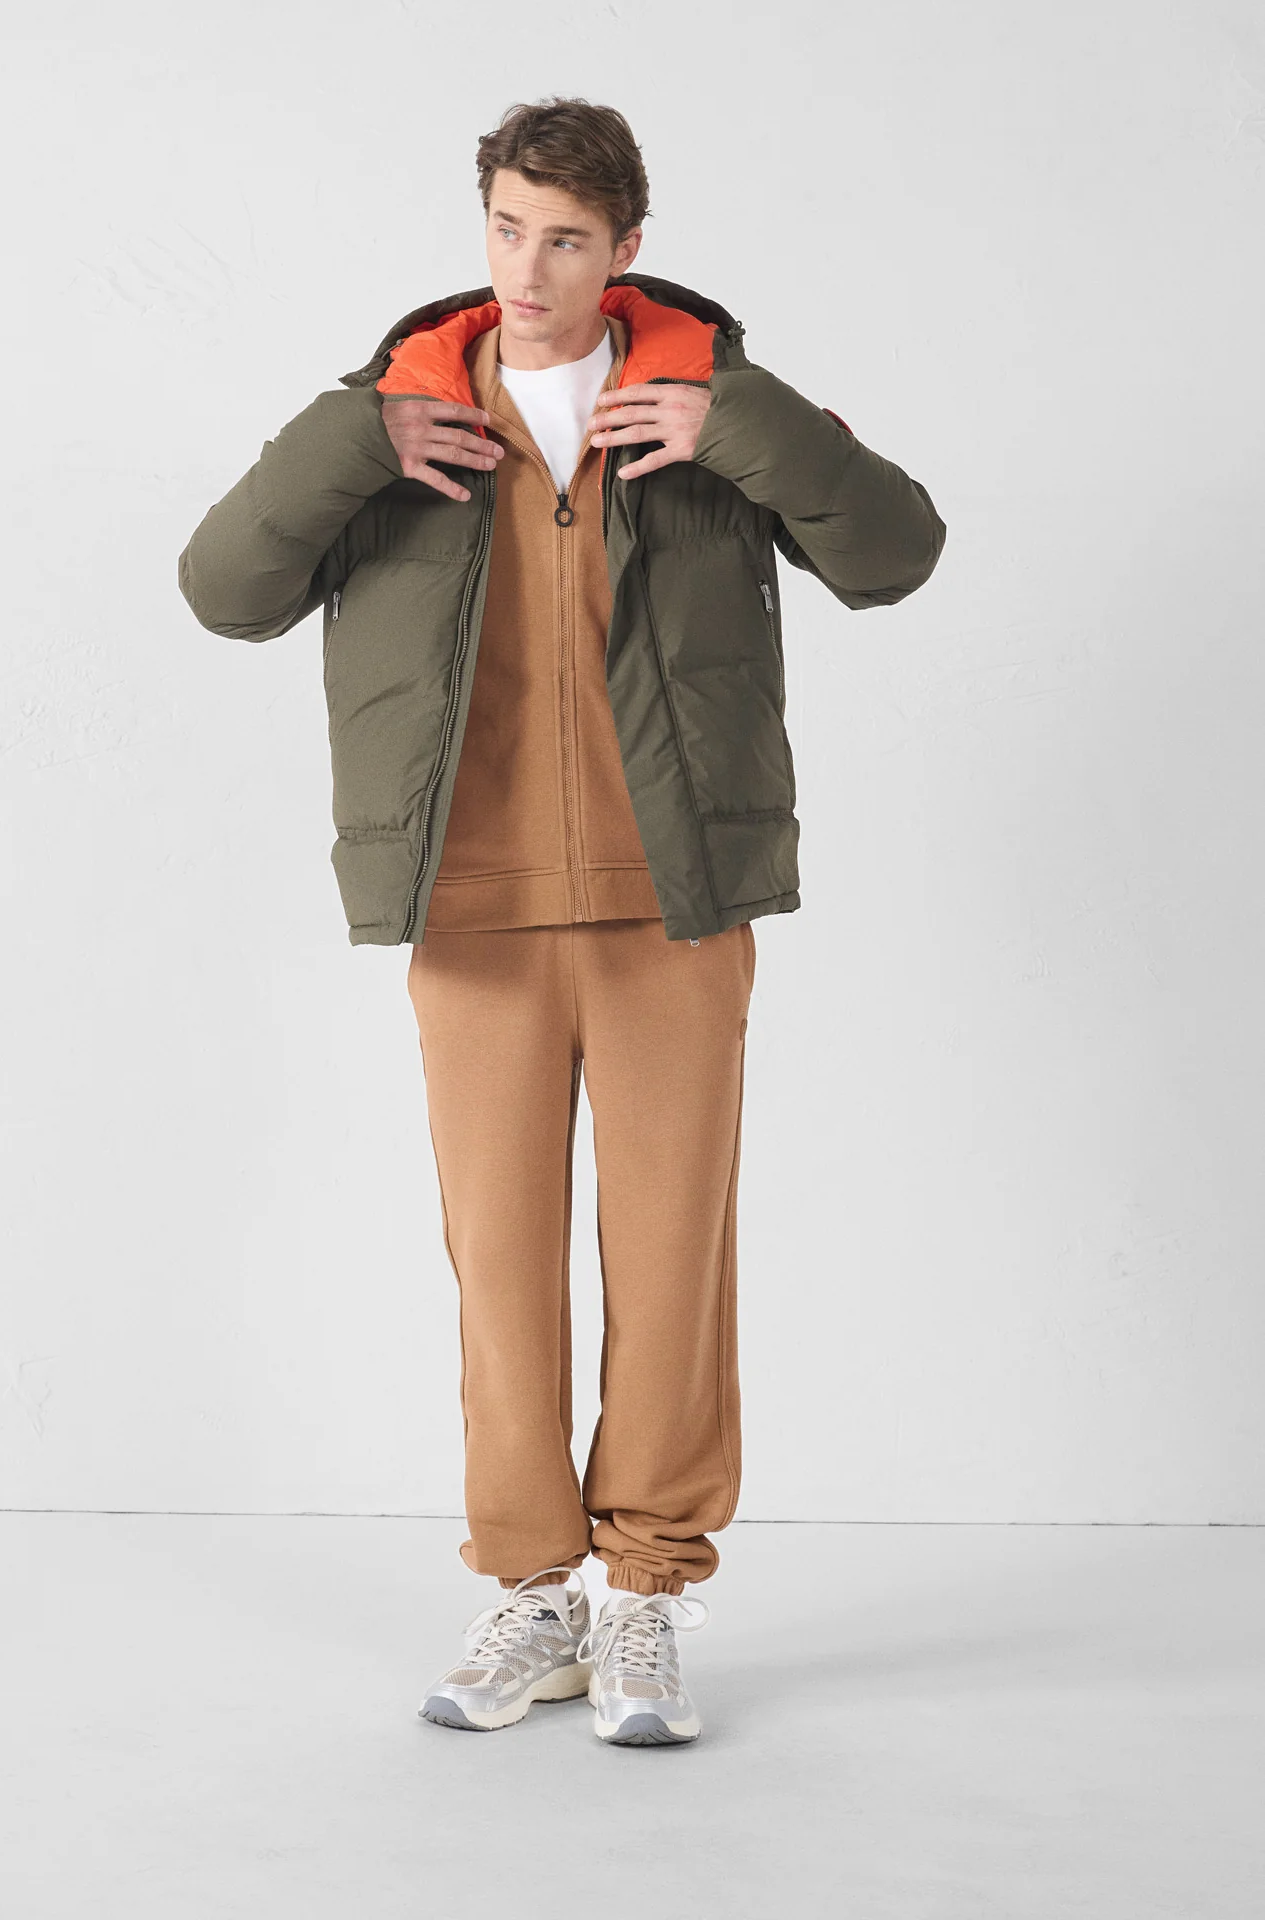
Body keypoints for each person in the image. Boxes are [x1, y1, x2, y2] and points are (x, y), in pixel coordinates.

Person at [177, 97, 946, 1748]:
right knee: (501, 1271)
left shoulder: (706, 404)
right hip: (471, 899)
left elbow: (897, 554)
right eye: (507, 230)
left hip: (676, 903)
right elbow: (222, 591)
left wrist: (747, 431)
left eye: (568, 240)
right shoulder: (398, 414)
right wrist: (351, 448)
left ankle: (645, 1591)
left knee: (673, 1260)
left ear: (626, 250)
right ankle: (533, 1590)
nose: (529, 271)